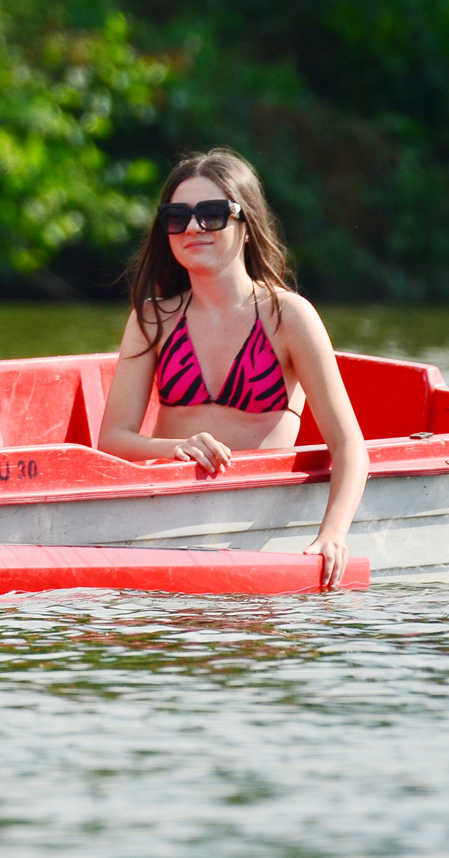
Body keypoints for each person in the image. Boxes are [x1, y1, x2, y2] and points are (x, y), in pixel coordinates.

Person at [97, 149, 368, 588]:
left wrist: (332, 534)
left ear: (246, 225)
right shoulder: (152, 317)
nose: (192, 227)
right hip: (168, 516)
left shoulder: (289, 316)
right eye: (176, 216)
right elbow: (112, 440)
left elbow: (349, 445)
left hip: (255, 518)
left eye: (211, 214)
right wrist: (174, 448)